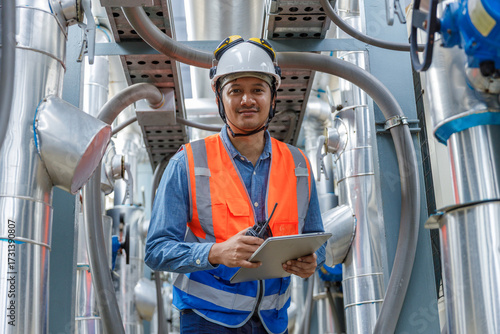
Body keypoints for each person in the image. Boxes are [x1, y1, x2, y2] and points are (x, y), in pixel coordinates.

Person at [145, 35, 326, 334]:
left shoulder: (298, 165)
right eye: (235, 91)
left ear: (272, 97)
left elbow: (316, 237)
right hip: (206, 321)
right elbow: (156, 250)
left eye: (257, 89)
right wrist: (214, 253)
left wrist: (313, 260)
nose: (247, 100)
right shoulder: (187, 163)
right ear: (220, 98)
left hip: (273, 322)